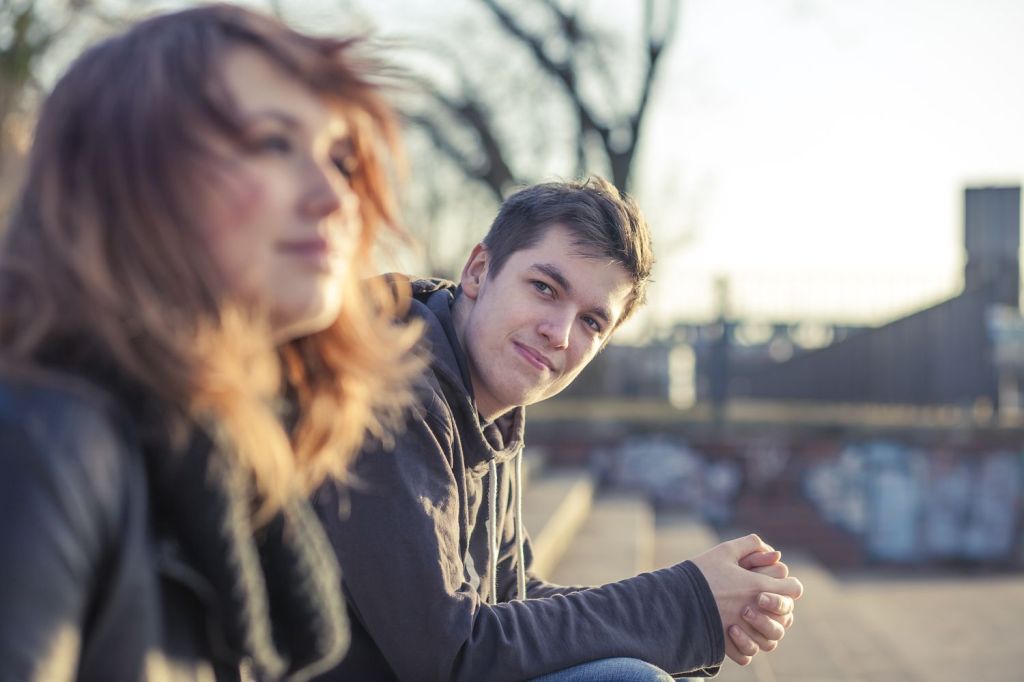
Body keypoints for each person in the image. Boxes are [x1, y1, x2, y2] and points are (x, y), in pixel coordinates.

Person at [0, 4, 419, 680]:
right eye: (273, 143)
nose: (334, 197)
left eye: (341, 162)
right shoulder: (41, 447)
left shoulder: (233, 457)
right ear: (128, 174)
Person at [313, 178, 803, 681]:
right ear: (479, 271)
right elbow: (449, 651)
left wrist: (706, 613)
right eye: (545, 288)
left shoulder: (489, 413)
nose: (559, 334)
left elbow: (512, 598)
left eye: (591, 322)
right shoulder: (389, 392)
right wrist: (683, 604)